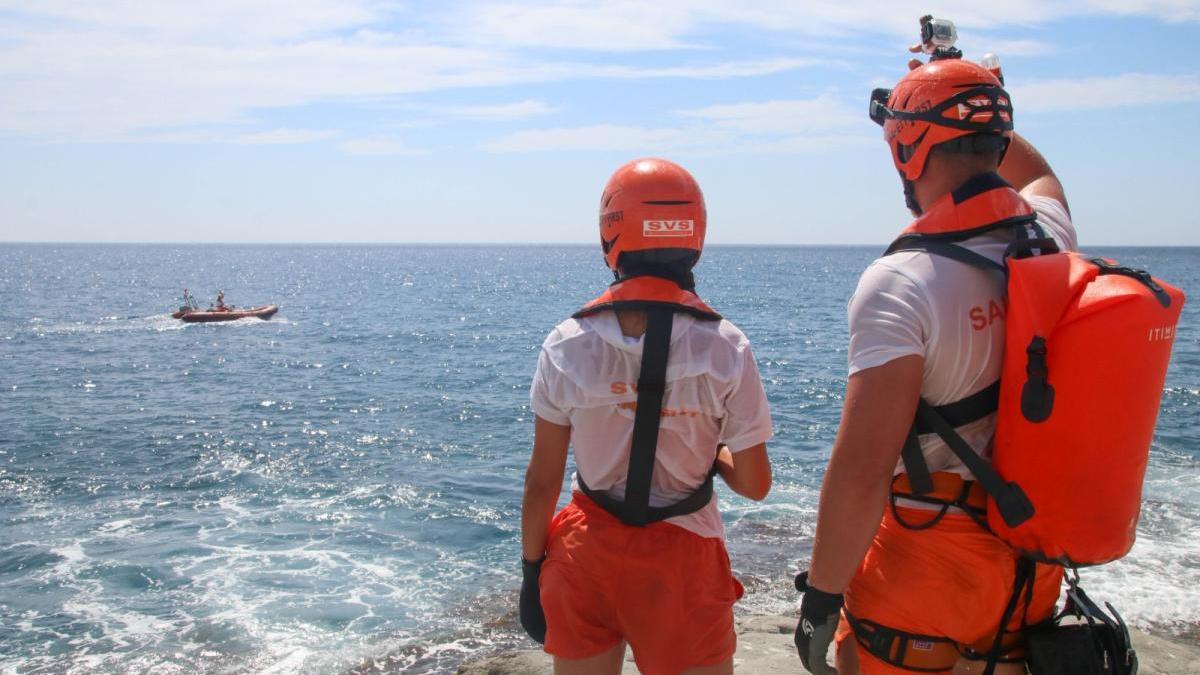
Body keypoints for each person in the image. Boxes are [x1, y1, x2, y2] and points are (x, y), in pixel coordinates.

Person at [794, 54, 1076, 675]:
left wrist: (820, 599)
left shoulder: (902, 282)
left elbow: (860, 473)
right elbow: (1042, 176)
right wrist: (975, 87)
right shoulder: (1050, 238)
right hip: (1028, 561)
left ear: (906, 151)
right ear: (998, 139)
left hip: (925, 566)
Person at [521, 158, 774, 675]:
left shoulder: (568, 342)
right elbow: (754, 483)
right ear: (695, 233)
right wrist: (715, 453)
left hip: (586, 553)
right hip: (683, 560)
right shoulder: (725, 345)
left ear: (611, 232)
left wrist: (531, 573)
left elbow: (542, 479)